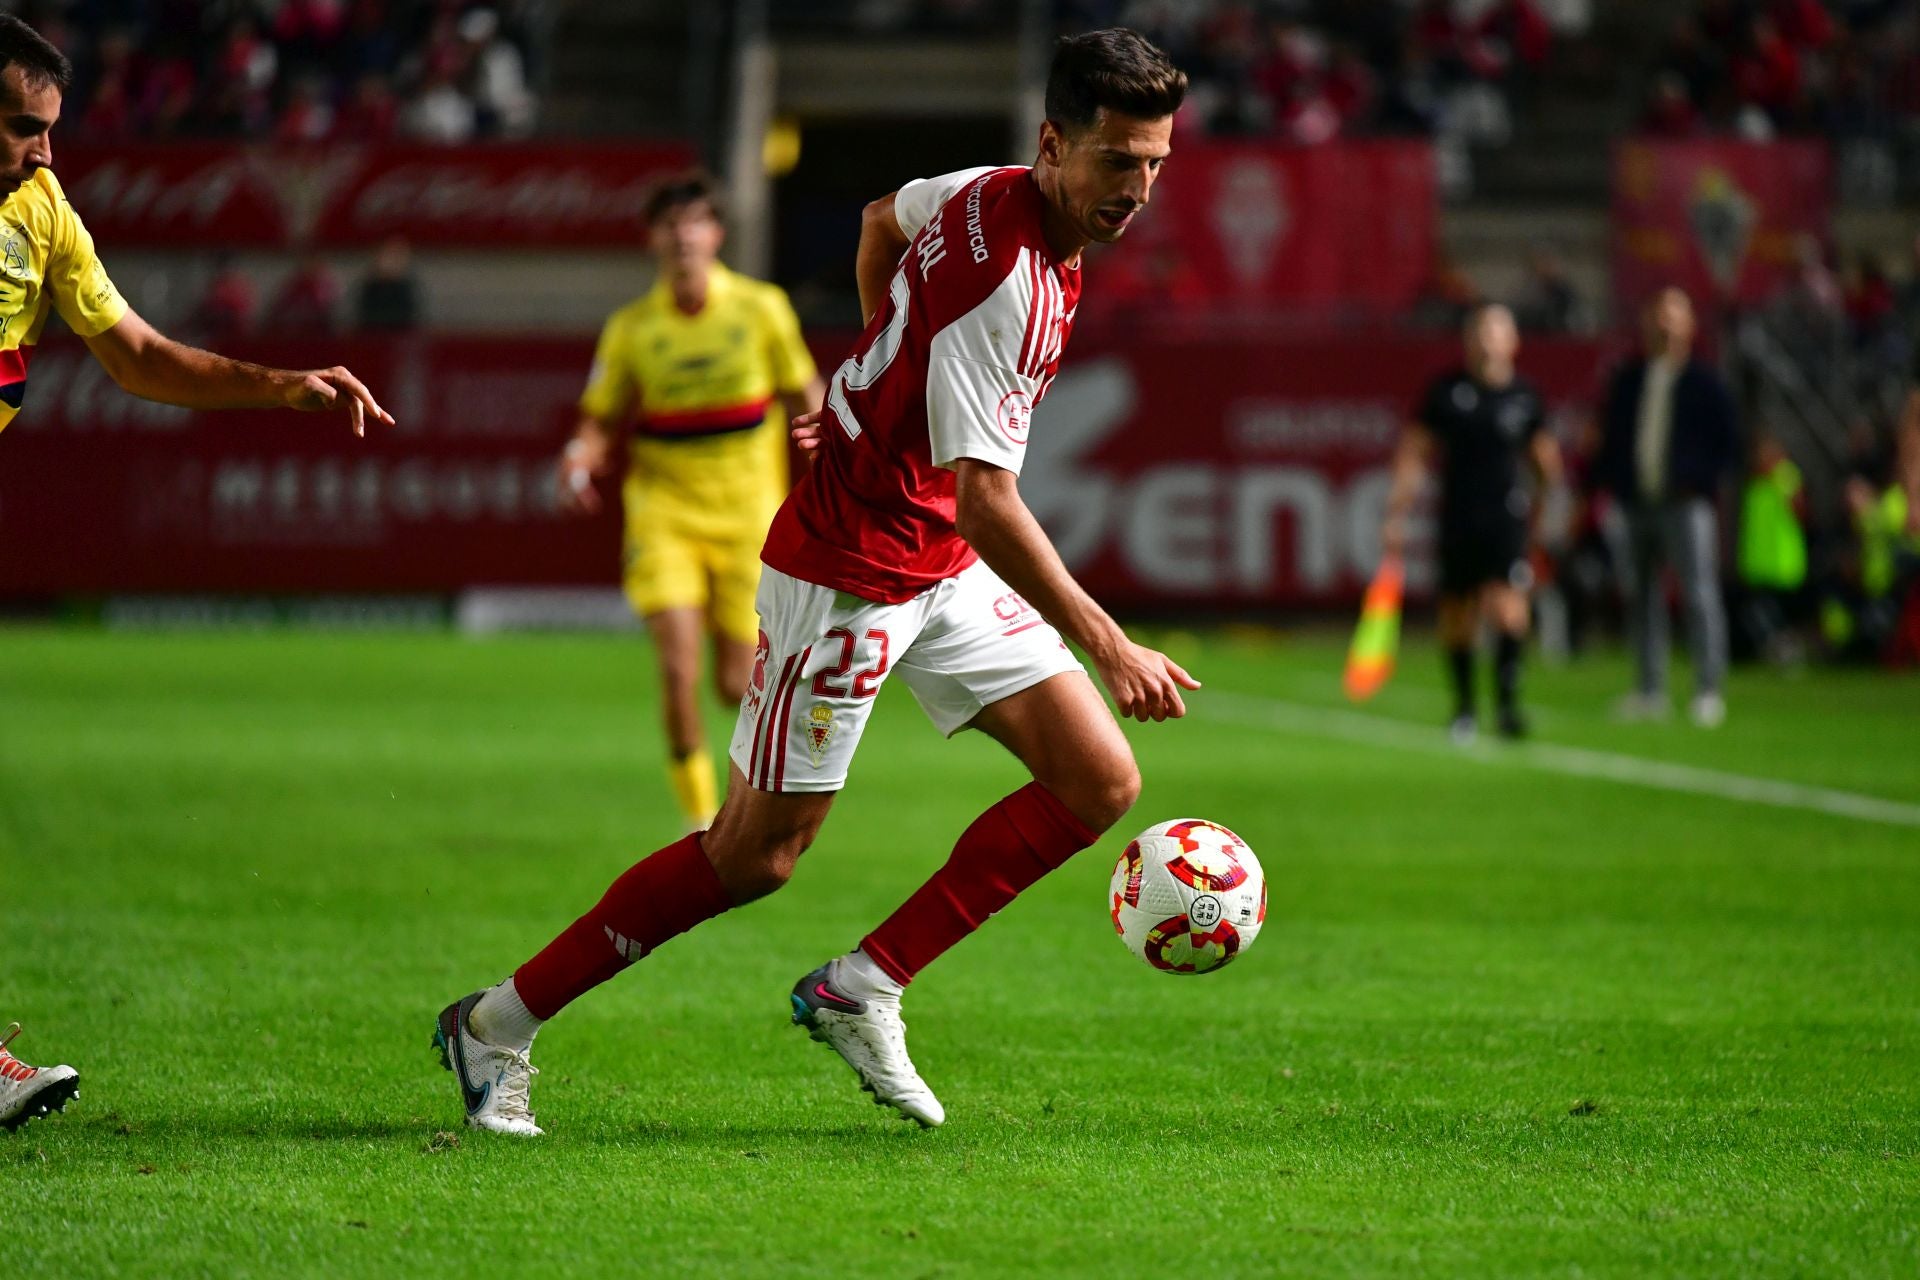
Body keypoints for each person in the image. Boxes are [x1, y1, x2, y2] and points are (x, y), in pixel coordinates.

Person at [434, 28, 1194, 1136]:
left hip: (938, 556)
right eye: (1119, 161)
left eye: (1157, 164)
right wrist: (1108, 640)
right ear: (1052, 144)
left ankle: (866, 983)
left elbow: (881, 219)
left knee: (1096, 779)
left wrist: (877, 366)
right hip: (851, 567)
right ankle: (494, 1023)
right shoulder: (1010, 280)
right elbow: (988, 495)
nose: (1138, 189)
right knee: (754, 855)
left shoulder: (981, 191)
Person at [0, 15, 391, 1129]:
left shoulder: (42, 213)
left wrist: (281, 385)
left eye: (50, 129)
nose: (45, 151)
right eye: (23, 128)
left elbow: (137, 356)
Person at [558, 172, 824, 833]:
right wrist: (578, 458)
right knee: (677, 667)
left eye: (695, 222)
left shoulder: (761, 309)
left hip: (747, 514)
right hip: (664, 512)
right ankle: (700, 818)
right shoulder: (631, 330)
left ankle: (753, 790)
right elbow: (598, 420)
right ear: (653, 239)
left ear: (716, 234)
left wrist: (834, 462)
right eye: (670, 225)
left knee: (736, 685)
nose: (683, 236)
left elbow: (806, 394)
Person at [1382, 303, 1563, 740]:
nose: (1487, 339)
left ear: (1513, 341)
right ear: (1467, 340)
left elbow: (1545, 462)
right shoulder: (1446, 392)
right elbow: (1415, 452)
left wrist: (1546, 510)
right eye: (1480, 330)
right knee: (1458, 614)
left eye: (1497, 331)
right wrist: (1397, 512)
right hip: (1459, 516)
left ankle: (1506, 707)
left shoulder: (1524, 396)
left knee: (1509, 611)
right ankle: (1463, 708)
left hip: (1507, 517)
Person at [1594, 288, 1740, 726]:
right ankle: (1649, 689)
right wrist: (1613, 485)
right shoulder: (1630, 380)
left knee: (1698, 593)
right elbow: (1610, 439)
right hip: (1637, 502)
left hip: (1685, 504)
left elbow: (1729, 444)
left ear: (1691, 325)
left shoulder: (1706, 383)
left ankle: (1708, 689)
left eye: (1675, 316)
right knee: (1642, 596)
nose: (1665, 324)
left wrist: (1697, 481)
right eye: (1659, 315)